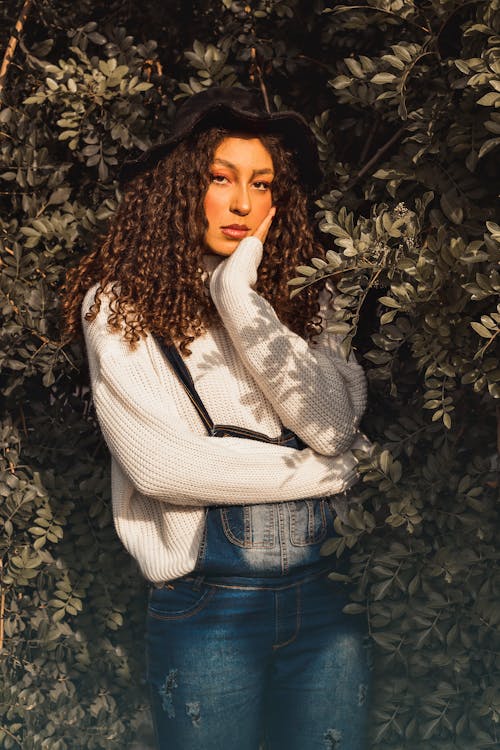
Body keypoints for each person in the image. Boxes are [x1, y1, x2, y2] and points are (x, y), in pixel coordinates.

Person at [61, 86, 372, 750]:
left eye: (261, 184)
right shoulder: (118, 307)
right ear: (179, 186)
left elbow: (330, 428)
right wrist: (330, 476)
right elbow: (166, 468)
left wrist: (238, 293)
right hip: (208, 607)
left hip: (327, 597)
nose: (242, 202)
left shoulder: (310, 299)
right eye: (220, 178)